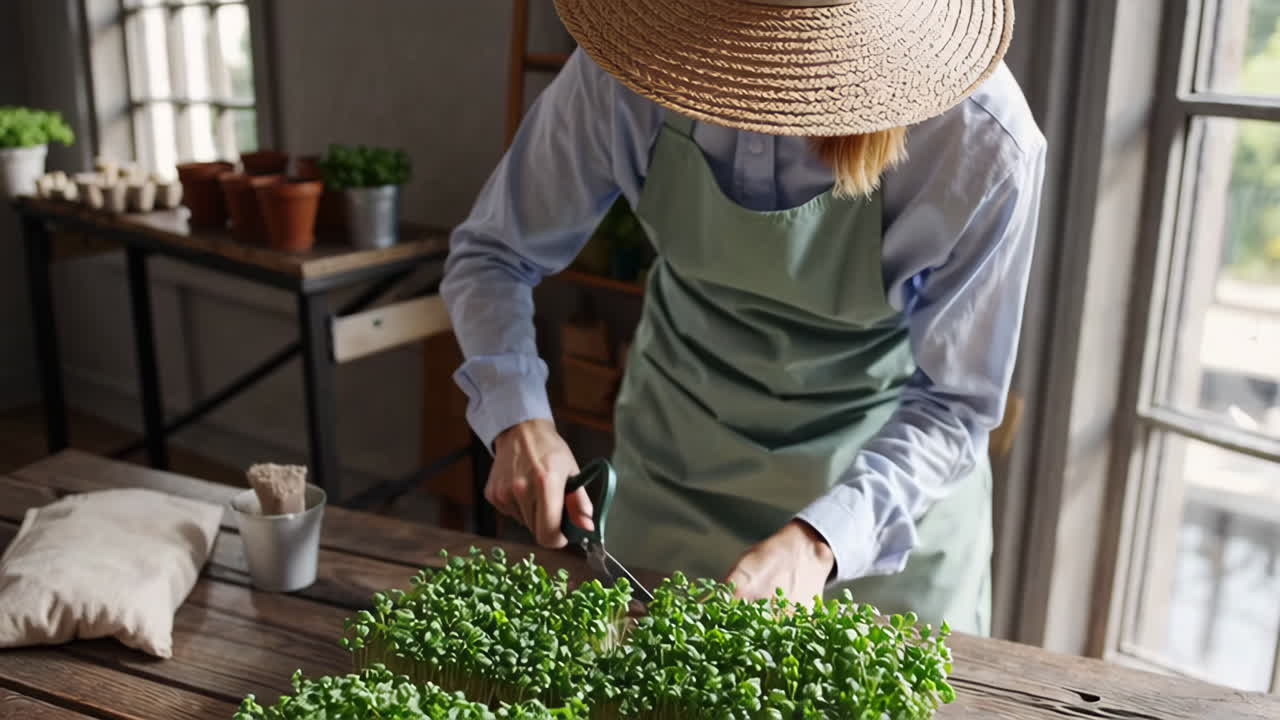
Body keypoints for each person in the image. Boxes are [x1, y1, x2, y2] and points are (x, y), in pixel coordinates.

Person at [441, 0, 1046, 635]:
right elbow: (494, 254)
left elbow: (956, 404)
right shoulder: (635, 58)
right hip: (675, 470)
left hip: (880, 511)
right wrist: (519, 418)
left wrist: (821, 540)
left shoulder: (982, 141)